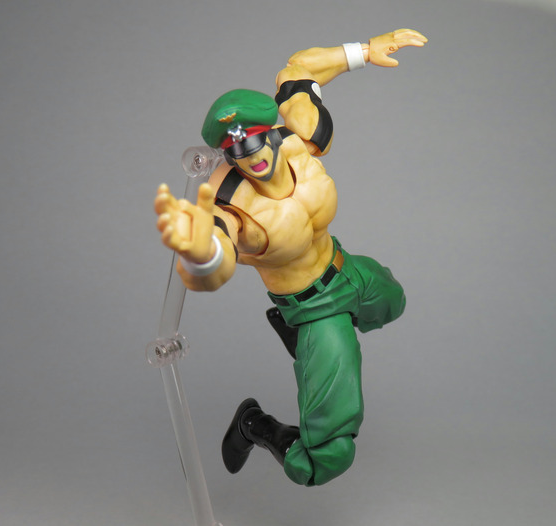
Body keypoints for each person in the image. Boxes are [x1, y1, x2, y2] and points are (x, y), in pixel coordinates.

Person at [155, 29, 427, 486]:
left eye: (255, 141)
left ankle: (302, 344)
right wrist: (200, 254)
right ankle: (255, 424)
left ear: (271, 133)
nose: (251, 157)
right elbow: (215, 253)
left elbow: (298, 71)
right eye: (236, 150)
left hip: (345, 268)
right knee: (321, 462)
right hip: (314, 307)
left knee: (393, 301)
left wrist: (364, 51)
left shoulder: (299, 141)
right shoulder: (231, 204)